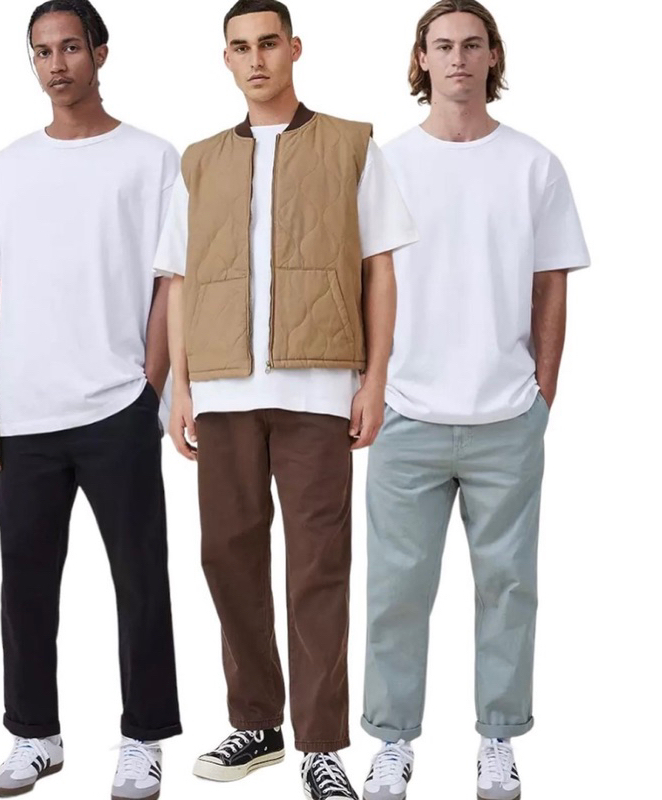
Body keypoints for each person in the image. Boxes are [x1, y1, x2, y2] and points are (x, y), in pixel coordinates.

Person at [153, 1, 417, 798]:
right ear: (226, 59)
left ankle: (322, 746)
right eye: (240, 47)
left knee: (318, 567)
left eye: (268, 43)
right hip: (223, 390)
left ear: (294, 48)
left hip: (319, 387)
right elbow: (180, 280)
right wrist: (180, 387)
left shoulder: (352, 145)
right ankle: (257, 724)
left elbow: (379, 268)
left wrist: (374, 380)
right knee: (227, 558)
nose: (256, 59)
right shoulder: (199, 160)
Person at [360, 3, 590, 800]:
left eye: (471, 45)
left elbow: (550, 285)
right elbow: (362, 285)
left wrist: (541, 396)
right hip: (406, 416)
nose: (457, 58)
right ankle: (393, 742)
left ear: (494, 56)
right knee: (396, 593)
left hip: (506, 417)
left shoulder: (534, 165)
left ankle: (498, 736)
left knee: (509, 588)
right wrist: (371, 388)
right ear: (420, 60)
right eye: (442, 46)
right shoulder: (384, 165)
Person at [0, 2, 181, 796]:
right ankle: (34, 735)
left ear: (100, 53)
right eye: (42, 52)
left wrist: (151, 387)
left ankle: (145, 737)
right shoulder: (7, 166)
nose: (56, 64)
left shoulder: (151, 158)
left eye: (70, 48)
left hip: (118, 404)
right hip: (27, 413)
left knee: (141, 581)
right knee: (24, 586)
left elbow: (171, 280)